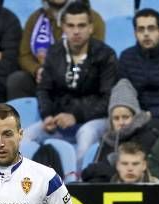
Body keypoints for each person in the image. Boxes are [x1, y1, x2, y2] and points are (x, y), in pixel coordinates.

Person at [23, 1, 117, 167]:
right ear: (63, 27)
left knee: (86, 135)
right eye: (71, 26)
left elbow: (107, 98)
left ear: (91, 27)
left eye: (81, 25)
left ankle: (78, 184)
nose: (76, 31)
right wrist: (47, 115)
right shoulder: (54, 51)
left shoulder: (106, 55)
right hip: (59, 118)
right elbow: (44, 89)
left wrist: (76, 115)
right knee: (25, 137)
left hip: (93, 118)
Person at [7, 0, 105, 100]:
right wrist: (37, 70)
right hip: (42, 77)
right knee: (17, 80)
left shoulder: (90, 18)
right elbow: (24, 55)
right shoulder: (35, 18)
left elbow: (92, 57)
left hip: (76, 78)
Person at [80, 78, 159, 183]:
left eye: (125, 117)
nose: (121, 122)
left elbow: (138, 171)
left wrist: (106, 168)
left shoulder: (147, 137)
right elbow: (89, 171)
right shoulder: (108, 139)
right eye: (116, 118)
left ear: (135, 116)